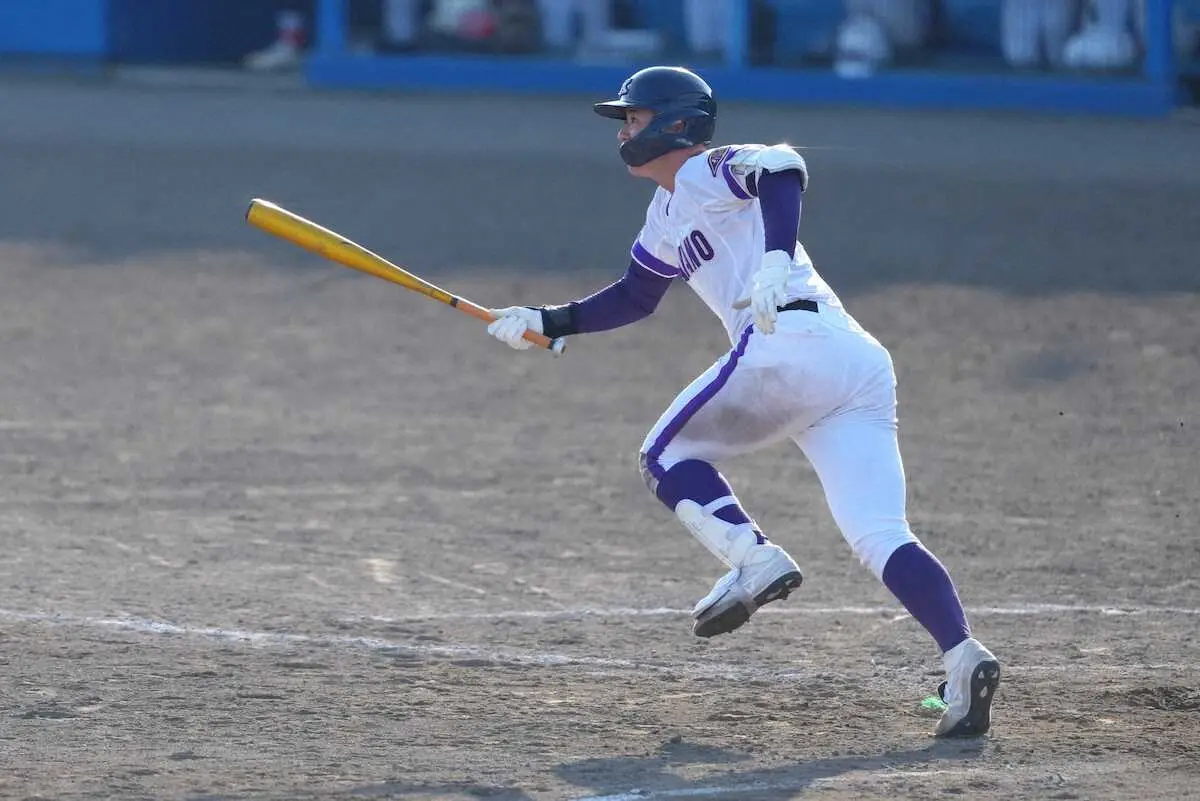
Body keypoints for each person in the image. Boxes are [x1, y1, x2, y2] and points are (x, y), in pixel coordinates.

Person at [485, 66, 1001, 738]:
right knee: (880, 532)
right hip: (856, 365)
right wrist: (549, 321)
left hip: (793, 344)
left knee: (665, 452)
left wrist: (774, 261)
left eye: (634, 118)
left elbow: (782, 165)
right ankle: (964, 657)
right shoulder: (664, 212)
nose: (624, 131)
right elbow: (635, 296)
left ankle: (754, 558)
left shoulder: (706, 170)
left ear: (675, 122)